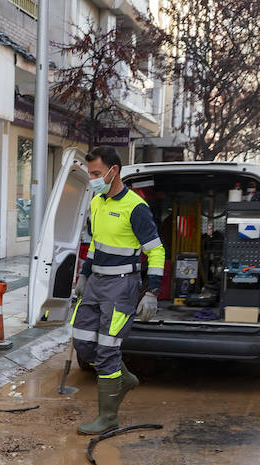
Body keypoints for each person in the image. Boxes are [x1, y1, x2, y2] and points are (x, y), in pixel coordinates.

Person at [71, 146, 165, 435]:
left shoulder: (136, 208)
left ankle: (108, 417)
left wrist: (151, 292)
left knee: (107, 349)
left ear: (115, 171)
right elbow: (96, 245)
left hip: (122, 285)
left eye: (97, 173)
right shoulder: (98, 202)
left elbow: (157, 252)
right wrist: (84, 276)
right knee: (83, 341)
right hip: (97, 283)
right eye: (91, 174)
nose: (93, 179)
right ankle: (123, 379)